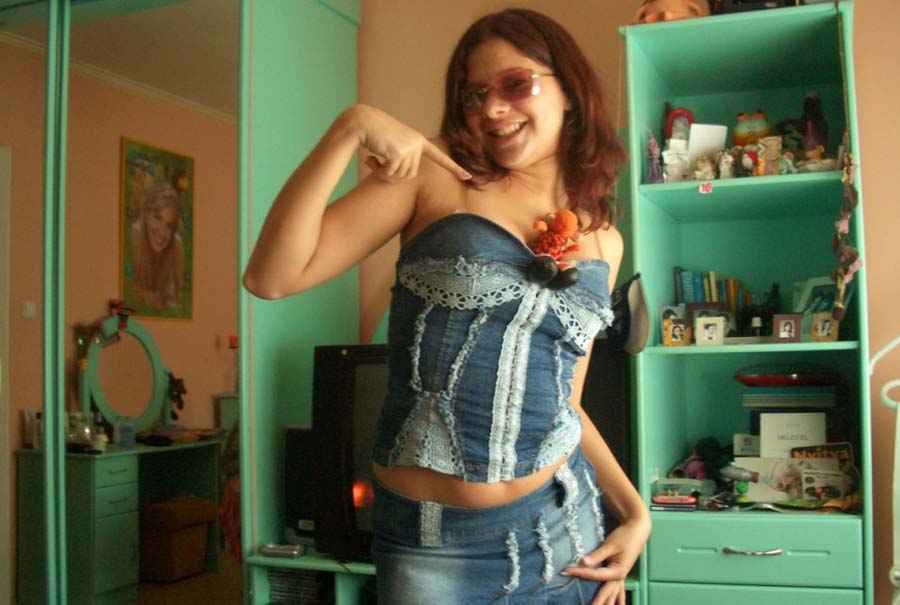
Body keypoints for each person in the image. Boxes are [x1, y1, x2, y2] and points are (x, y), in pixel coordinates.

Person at [243, 9, 649, 604]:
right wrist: (348, 129)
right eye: (475, 94)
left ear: (568, 91)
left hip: (567, 530)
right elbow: (270, 276)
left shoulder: (603, 239)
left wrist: (635, 512)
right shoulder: (433, 177)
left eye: (515, 84)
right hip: (433, 548)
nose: (492, 109)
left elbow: (568, 404)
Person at [131, 181, 184, 310]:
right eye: (157, 218)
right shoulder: (134, 237)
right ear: (146, 216)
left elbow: (180, 302)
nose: (162, 231)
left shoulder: (176, 246)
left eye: (169, 225)